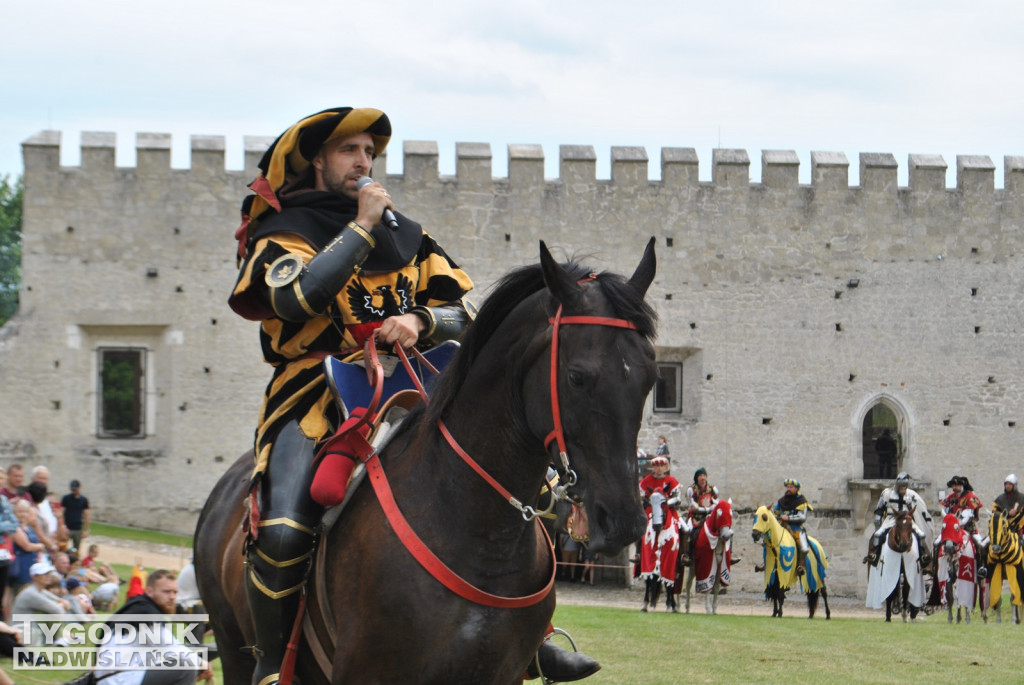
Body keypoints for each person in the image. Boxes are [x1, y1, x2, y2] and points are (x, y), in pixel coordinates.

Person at [228, 107, 595, 683]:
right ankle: (272, 664)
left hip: (416, 378)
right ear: (316, 160)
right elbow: (297, 297)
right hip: (316, 391)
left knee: (516, 488)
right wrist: (361, 225)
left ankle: (532, 639)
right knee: (284, 527)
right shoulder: (284, 233)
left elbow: (469, 309)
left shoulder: (409, 236)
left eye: (369, 152)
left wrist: (422, 320)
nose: (363, 162)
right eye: (349, 150)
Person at [95, 569, 212, 685]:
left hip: (118, 677)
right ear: (149, 591)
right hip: (120, 679)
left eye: (175, 592)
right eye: (166, 592)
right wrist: (201, 663)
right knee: (185, 668)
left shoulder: (138, 608)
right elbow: (171, 648)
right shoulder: (146, 613)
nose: (172, 597)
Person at [864, 472, 933, 568]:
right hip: (891, 519)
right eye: (901, 486)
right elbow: (879, 510)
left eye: (905, 486)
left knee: (920, 535)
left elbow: (912, 511)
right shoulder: (887, 494)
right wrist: (878, 523)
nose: (903, 489)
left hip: (906, 519)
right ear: (897, 485)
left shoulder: (909, 496)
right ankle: (874, 555)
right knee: (878, 535)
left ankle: (923, 557)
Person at [11, 561, 69, 645]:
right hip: (23, 633)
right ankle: (56, 638)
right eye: (44, 574)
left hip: (30, 630)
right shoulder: (31, 593)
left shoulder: (40, 590)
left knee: (50, 609)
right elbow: (59, 611)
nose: (48, 576)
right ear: (35, 577)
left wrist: (61, 604)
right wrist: (62, 604)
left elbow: (59, 601)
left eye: (49, 573)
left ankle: (59, 637)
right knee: (49, 611)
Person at [773, 478, 812, 575]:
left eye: (791, 487)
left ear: (796, 488)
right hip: (782, 527)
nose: (788, 489)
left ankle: (801, 565)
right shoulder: (781, 501)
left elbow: (802, 517)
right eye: (787, 487)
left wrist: (789, 518)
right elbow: (776, 513)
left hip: (796, 529)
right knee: (769, 542)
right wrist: (778, 516)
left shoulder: (802, 501)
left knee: (804, 548)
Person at [682, 467, 719, 564]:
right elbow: (692, 505)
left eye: (704, 475)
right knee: (688, 531)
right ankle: (687, 554)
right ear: (697, 478)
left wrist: (710, 509)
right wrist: (698, 509)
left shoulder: (712, 489)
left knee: (724, 528)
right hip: (696, 516)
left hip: (709, 515)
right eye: (700, 476)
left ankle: (727, 553)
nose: (702, 478)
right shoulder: (691, 490)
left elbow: (716, 502)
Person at [61, 479, 90, 552]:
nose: (73, 491)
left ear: (79, 488)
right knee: (62, 547)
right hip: (67, 528)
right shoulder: (66, 498)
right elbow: (61, 513)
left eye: (75, 489)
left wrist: (86, 530)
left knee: (76, 551)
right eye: (72, 489)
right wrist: (63, 526)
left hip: (78, 528)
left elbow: (87, 515)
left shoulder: (84, 500)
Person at [993, 474, 1024, 538]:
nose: (1008, 486)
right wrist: (1007, 513)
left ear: (1014, 485)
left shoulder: (1022, 498)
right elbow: (995, 515)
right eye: (1006, 484)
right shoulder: (999, 500)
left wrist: (1021, 528)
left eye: (1010, 484)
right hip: (1003, 529)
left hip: (1020, 529)